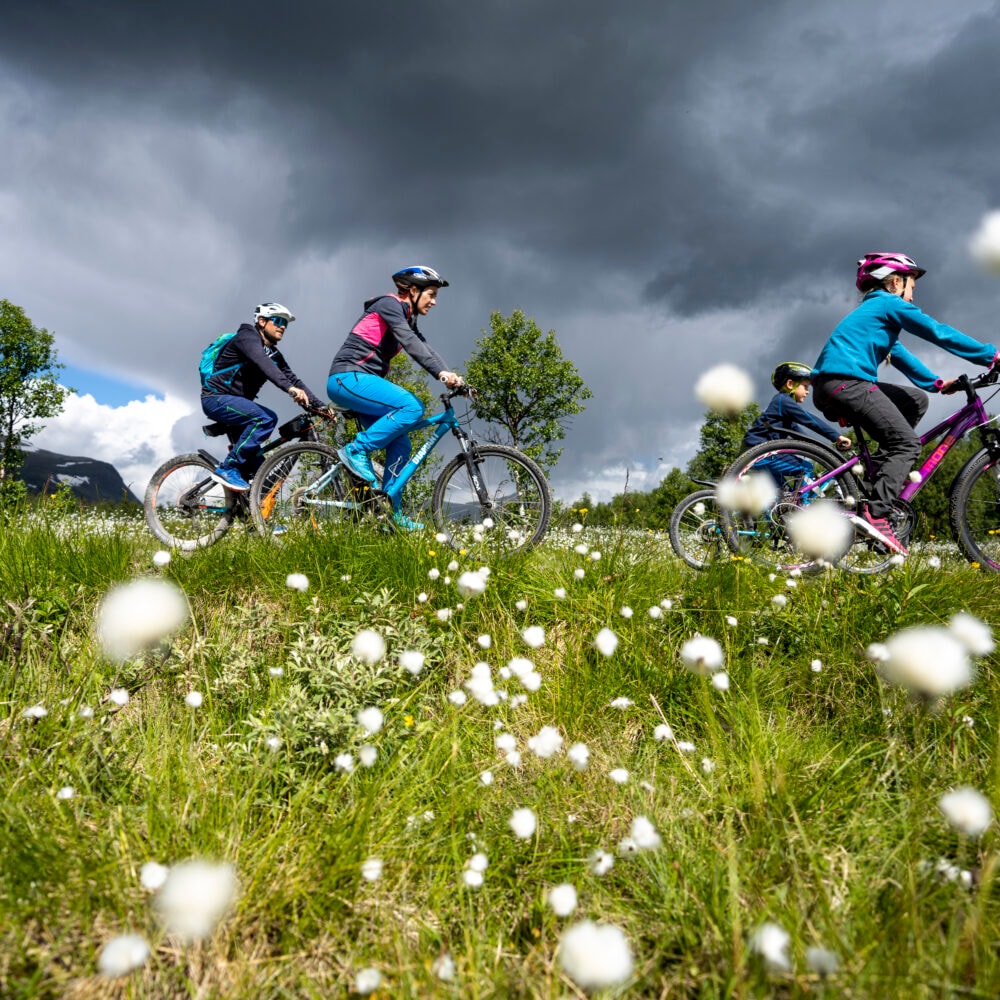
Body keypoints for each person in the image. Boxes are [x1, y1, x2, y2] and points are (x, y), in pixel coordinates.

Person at [811, 252, 999, 556]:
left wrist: (936, 384)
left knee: (916, 400)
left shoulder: (875, 315)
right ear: (896, 282)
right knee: (908, 444)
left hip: (835, 385)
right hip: (847, 383)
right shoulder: (888, 303)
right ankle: (877, 513)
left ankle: (883, 472)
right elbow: (937, 332)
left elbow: (898, 354)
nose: (913, 293)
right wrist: (991, 356)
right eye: (912, 285)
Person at [327, 265, 463, 531]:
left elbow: (426, 348)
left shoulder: (407, 318)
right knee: (412, 407)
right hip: (347, 377)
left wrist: (452, 376)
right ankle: (356, 450)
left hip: (360, 382)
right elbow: (412, 346)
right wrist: (440, 374)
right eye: (431, 294)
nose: (434, 302)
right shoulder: (390, 305)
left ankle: (390, 514)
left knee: (401, 443)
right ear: (413, 290)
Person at [201, 302, 328, 492]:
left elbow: (292, 378)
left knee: (262, 475)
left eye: (285, 323)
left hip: (238, 409)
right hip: (216, 398)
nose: (282, 326)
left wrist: (321, 407)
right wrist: (290, 389)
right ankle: (228, 468)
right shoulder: (246, 338)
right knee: (266, 418)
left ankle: (251, 517)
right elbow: (262, 363)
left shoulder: (274, 354)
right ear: (261, 321)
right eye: (277, 321)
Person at [742, 361, 852, 486]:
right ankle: (803, 504)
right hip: (761, 452)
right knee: (806, 467)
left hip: (754, 451)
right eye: (805, 386)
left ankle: (786, 504)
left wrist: (826, 451)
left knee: (783, 494)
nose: (807, 392)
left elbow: (799, 435)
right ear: (790, 384)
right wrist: (836, 436)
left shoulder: (781, 407)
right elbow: (809, 419)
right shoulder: (784, 401)